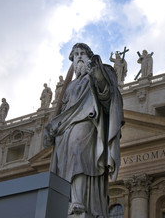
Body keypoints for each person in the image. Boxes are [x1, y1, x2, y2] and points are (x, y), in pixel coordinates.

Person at [44, 43, 124, 217]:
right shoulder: (70, 86)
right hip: (65, 128)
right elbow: (63, 108)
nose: (79, 56)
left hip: (87, 120)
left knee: (78, 151)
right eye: (75, 55)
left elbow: (108, 96)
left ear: (89, 55)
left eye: (82, 53)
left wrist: (98, 75)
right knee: (62, 165)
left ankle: (79, 200)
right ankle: (67, 201)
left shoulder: (99, 71)